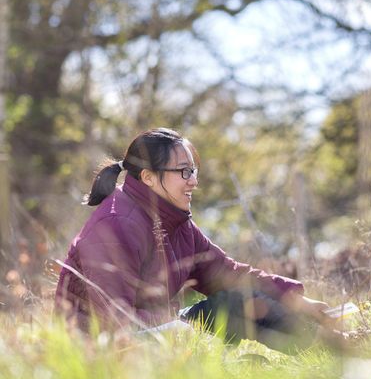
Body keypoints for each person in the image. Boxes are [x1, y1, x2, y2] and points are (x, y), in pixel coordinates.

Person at [55, 128, 334, 351]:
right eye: (184, 172)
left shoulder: (175, 221)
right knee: (193, 336)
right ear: (149, 177)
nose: (193, 181)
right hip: (103, 349)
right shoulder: (116, 224)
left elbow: (230, 275)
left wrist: (299, 302)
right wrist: (177, 326)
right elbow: (114, 319)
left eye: (194, 171)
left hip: (161, 329)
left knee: (238, 302)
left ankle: (325, 344)